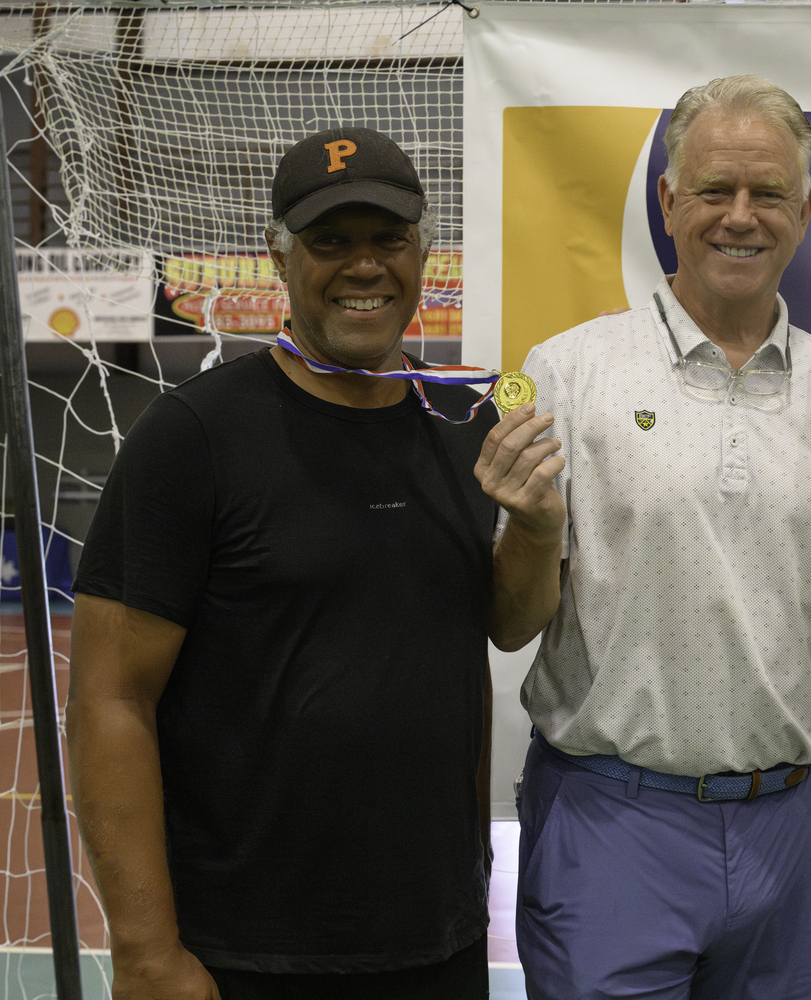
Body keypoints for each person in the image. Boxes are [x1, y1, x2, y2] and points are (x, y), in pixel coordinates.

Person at [473, 75, 811, 1000]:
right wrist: (532, 529)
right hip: (609, 822)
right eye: (714, 191)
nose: (740, 216)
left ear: (804, 211)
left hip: (791, 828)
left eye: (767, 194)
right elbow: (512, 624)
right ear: (667, 202)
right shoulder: (568, 372)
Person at [68, 127, 499, 1000]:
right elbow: (109, 696)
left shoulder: (470, 427)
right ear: (278, 256)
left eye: (387, 239)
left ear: (424, 251)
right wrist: (146, 952)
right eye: (330, 243)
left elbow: (486, 636)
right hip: (245, 952)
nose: (364, 266)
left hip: (438, 938)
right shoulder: (192, 438)